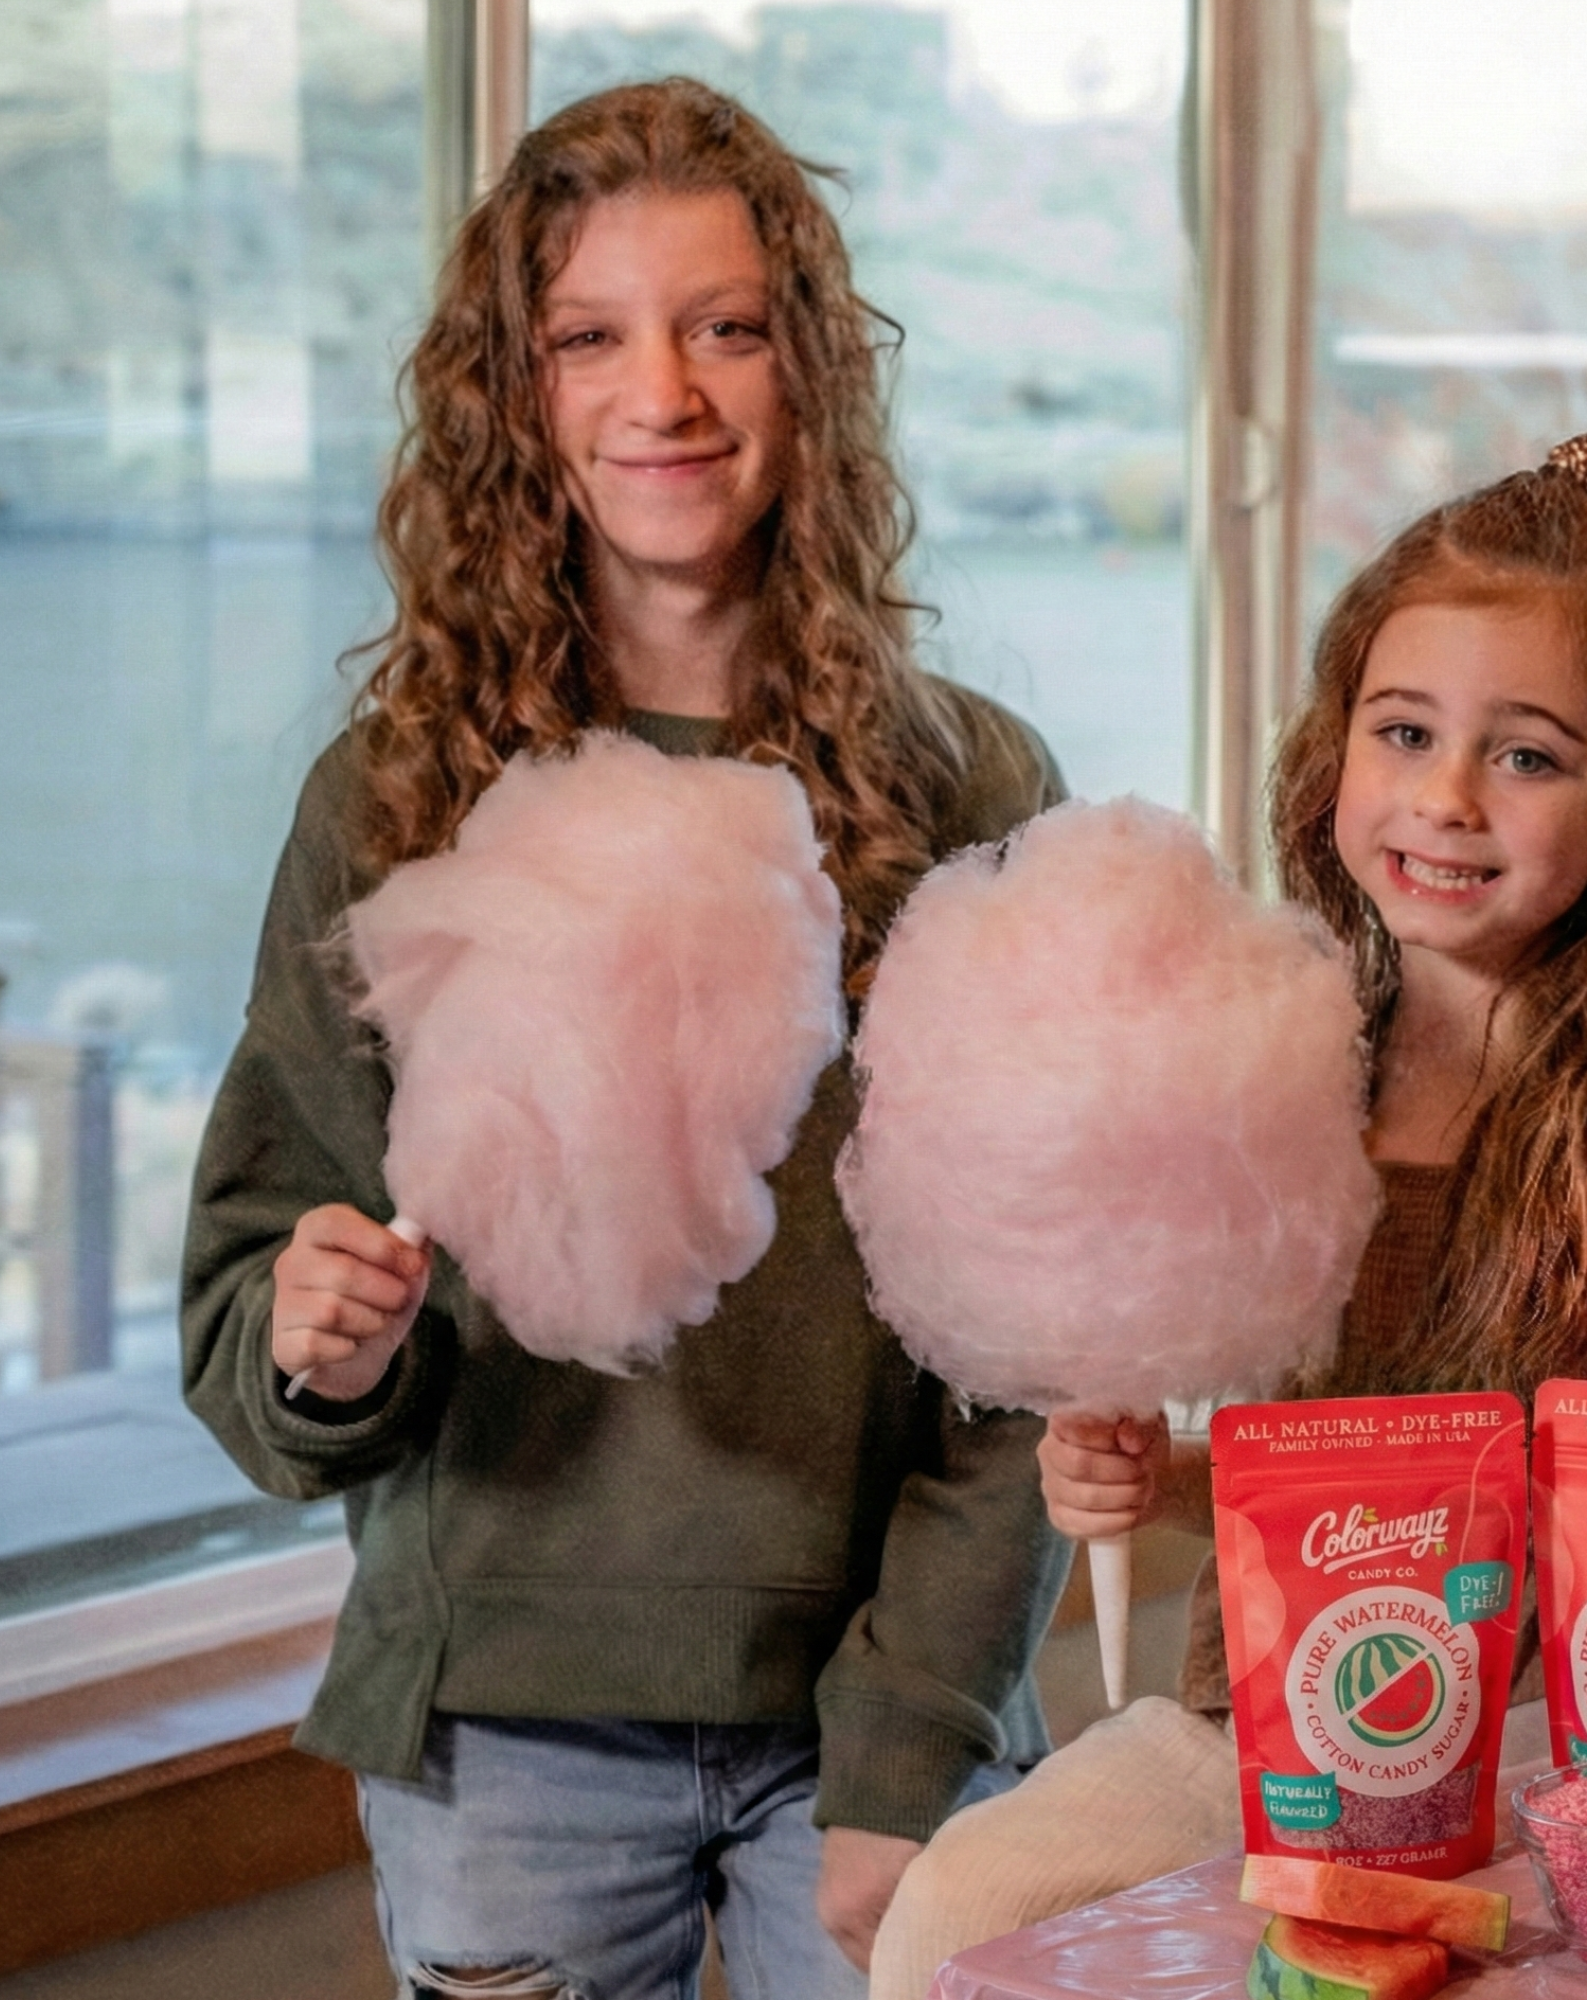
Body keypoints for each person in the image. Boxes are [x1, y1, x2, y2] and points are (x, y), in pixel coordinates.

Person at [180, 79, 1071, 2000]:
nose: (660, 395)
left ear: (808, 371)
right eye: (590, 336)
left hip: (870, 1727)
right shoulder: (399, 796)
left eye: (723, 327)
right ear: (518, 391)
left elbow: (1026, 1358)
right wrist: (317, 1342)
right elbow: (256, 1305)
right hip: (502, 1729)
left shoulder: (965, 788)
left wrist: (914, 1741)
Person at [867, 431, 1587, 2000]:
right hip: (1260, 1729)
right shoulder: (1285, 1064)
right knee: (958, 1911)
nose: (1446, 799)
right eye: (1405, 730)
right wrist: (1152, 1477)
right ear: (1332, 748)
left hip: (1518, 1760)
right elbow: (1336, 1479)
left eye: (1530, 755)